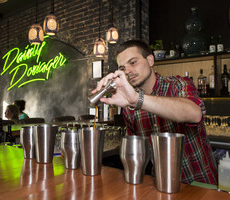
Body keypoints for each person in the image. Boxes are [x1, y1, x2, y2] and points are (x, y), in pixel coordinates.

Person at [92, 39, 217, 185]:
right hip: (159, 184)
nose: (128, 72)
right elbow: (136, 153)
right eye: (123, 68)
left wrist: (136, 99)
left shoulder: (178, 84)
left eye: (133, 62)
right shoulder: (130, 107)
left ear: (150, 60)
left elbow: (195, 114)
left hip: (199, 185)